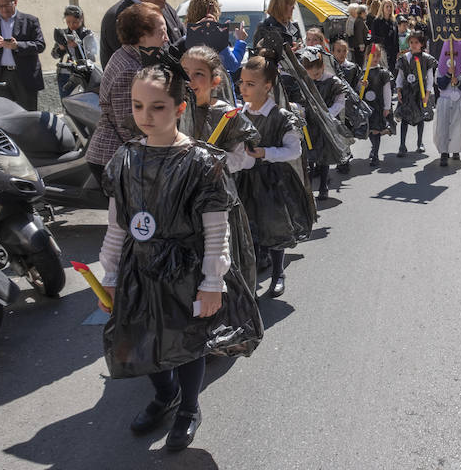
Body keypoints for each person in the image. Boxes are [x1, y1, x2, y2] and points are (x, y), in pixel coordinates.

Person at [97, 64, 239, 451]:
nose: (145, 116)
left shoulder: (201, 163)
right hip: (139, 268)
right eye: (138, 106)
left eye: (157, 107)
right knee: (141, 336)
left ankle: (189, 407)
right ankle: (165, 395)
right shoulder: (125, 160)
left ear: (179, 108)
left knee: (185, 342)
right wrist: (108, 273)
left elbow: (215, 228)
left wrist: (213, 282)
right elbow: (117, 225)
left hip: (185, 270)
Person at [237, 54, 314, 298]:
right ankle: (257, 266)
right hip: (246, 179)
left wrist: (265, 153)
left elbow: (294, 150)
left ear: (267, 86)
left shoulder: (281, 116)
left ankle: (278, 272)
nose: (244, 88)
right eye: (242, 83)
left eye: (251, 84)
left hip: (273, 181)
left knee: (274, 225)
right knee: (250, 224)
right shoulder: (239, 114)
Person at [86, 3, 167, 183]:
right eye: (161, 32)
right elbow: (129, 125)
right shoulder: (129, 69)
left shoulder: (130, 57)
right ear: (142, 35)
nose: (166, 38)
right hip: (113, 156)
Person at [181, 45, 256, 170]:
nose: (189, 79)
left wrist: (209, 159)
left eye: (198, 73)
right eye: (185, 72)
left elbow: (245, 160)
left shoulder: (227, 115)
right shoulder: (171, 109)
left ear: (214, 81)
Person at [299, 48, 348, 200]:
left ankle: (323, 187)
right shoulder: (305, 81)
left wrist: (328, 114)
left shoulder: (333, 82)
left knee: (324, 154)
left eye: (317, 74)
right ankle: (310, 184)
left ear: (322, 67)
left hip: (326, 123)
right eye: (310, 74)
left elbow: (340, 101)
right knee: (309, 152)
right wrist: (300, 110)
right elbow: (301, 101)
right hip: (309, 122)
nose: (314, 77)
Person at [184, 0, 248, 83]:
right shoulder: (214, 38)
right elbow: (232, 65)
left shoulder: (186, 36)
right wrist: (240, 41)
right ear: (211, 13)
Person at [395, 31, 436, 157]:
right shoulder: (404, 58)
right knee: (405, 119)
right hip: (407, 92)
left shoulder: (427, 59)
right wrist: (399, 90)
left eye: (416, 42)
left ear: (422, 44)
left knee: (420, 117)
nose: (413, 45)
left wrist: (427, 94)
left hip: (421, 92)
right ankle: (402, 145)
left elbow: (429, 78)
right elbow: (400, 77)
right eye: (411, 42)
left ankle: (420, 142)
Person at [434, 40, 461, 166]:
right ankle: (444, 153)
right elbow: (439, 85)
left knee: (458, 127)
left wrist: (458, 83)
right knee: (443, 128)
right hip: (444, 102)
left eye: (456, 53)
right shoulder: (440, 69)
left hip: (458, 103)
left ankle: (456, 149)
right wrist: (448, 74)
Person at [354, 46, 392, 167]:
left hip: (378, 105)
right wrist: (361, 86)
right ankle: (373, 148)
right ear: (367, 56)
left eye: (377, 56)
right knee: (370, 129)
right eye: (372, 55)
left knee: (376, 130)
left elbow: (387, 91)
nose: (375, 58)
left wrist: (387, 107)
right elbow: (358, 91)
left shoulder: (383, 73)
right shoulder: (362, 73)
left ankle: (375, 153)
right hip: (367, 106)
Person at [51, 5, 95, 98]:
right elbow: (54, 55)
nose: (71, 25)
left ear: (81, 19)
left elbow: (92, 54)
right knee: (66, 101)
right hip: (65, 74)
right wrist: (61, 48)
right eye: (68, 22)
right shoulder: (62, 34)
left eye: (75, 22)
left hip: (82, 74)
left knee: (84, 101)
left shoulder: (87, 34)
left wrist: (78, 46)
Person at [371, 0, 400, 75]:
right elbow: (373, 37)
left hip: (392, 51)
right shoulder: (377, 21)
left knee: (391, 72)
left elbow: (396, 37)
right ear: (382, 8)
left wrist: (397, 51)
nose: (389, 9)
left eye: (390, 7)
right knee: (383, 72)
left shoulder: (394, 22)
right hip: (382, 50)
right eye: (387, 6)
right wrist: (383, 40)